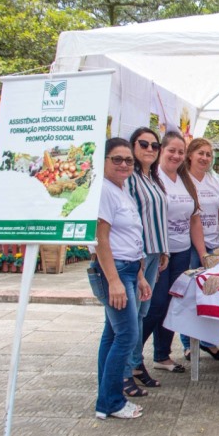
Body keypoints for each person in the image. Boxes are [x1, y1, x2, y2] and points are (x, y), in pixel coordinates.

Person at [88, 137, 151, 419]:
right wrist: (114, 280)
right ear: (102, 161)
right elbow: (101, 239)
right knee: (127, 335)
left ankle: (106, 398)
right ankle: (111, 402)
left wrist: (139, 275)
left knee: (113, 335)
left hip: (128, 268)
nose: (124, 164)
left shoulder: (121, 189)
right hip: (113, 270)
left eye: (128, 160)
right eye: (117, 159)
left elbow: (129, 237)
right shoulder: (103, 190)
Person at [141, 131, 204, 374]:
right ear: (160, 151)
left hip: (182, 252)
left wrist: (202, 253)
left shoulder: (185, 179)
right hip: (157, 253)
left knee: (172, 305)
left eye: (180, 152)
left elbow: (194, 221)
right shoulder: (152, 178)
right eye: (171, 151)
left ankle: (162, 355)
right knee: (154, 305)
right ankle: (133, 358)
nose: (176, 156)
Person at [123, 127, 168, 397]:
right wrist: (139, 260)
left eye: (154, 145)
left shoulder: (152, 178)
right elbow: (130, 220)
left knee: (142, 312)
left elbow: (156, 217)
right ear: (133, 146)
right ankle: (125, 371)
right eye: (144, 144)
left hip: (154, 253)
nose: (150, 149)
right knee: (131, 316)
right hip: (137, 255)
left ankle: (135, 365)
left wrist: (163, 250)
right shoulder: (129, 178)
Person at [179, 137, 219, 361]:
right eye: (200, 153)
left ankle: (209, 342)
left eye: (209, 154)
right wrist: (201, 253)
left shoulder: (215, 183)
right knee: (191, 294)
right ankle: (188, 344)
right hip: (189, 246)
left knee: (213, 294)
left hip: (213, 245)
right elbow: (193, 220)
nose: (204, 158)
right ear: (190, 155)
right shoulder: (182, 180)